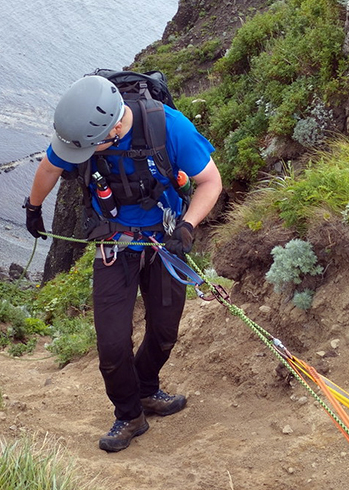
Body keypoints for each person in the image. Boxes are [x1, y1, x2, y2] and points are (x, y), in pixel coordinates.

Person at [24, 74, 222, 452]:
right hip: (114, 244)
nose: (83, 155)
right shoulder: (80, 136)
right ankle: (129, 414)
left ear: (115, 126)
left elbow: (210, 181)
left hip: (164, 241)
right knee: (112, 345)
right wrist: (33, 208)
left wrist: (186, 227)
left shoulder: (169, 127)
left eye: (91, 148)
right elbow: (50, 167)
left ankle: (147, 390)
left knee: (164, 333)